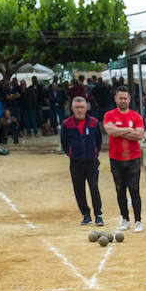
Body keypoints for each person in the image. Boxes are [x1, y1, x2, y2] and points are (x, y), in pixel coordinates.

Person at [103, 85, 145, 232]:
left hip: (133, 158)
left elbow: (139, 135)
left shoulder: (136, 116)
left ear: (129, 99)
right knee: (120, 190)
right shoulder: (109, 115)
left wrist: (118, 130)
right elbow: (109, 130)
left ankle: (138, 221)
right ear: (115, 99)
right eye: (120, 98)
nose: (123, 101)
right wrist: (128, 130)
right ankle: (125, 218)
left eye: (125, 98)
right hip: (116, 158)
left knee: (134, 190)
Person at [61, 95, 104, 226]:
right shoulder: (66, 124)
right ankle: (86, 214)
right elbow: (64, 143)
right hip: (76, 163)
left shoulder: (94, 123)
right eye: (77, 107)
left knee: (94, 186)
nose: (79, 110)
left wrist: (95, 153)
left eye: (82, 107)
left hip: (91, 162)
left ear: (86, 108)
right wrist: (71, 154)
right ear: (72, 109)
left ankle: (98, 215)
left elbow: (99, 140)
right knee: (79, 189)